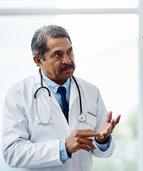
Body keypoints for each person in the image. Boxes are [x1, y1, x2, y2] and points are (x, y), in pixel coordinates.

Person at [1, 25, 121, 171]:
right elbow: (12, 153)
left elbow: (102, 151)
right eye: (58, 55)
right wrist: (63, 148)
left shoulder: (91, 92)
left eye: (70, 52)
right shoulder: (18, 95)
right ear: (38, 61)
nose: (67, 60)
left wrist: (102, 140)